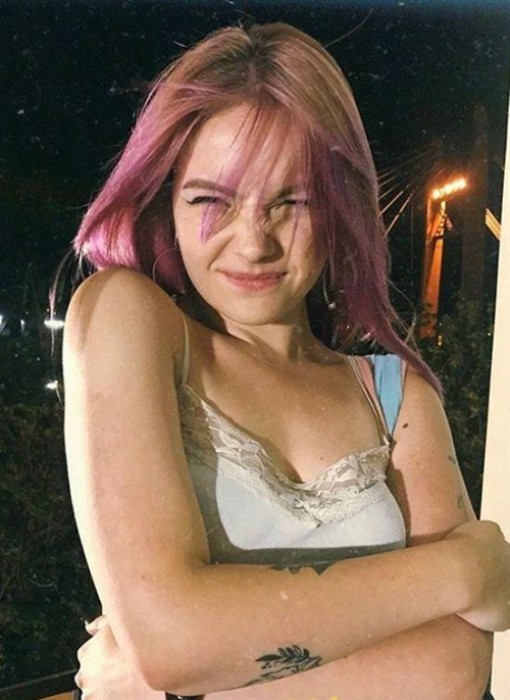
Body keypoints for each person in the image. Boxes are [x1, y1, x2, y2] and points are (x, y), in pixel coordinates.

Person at [64, 23, 509, 700]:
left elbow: (454, 671)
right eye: (210, 200)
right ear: (165, 200)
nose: (254, 243)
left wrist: (172, 683)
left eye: (293, 201)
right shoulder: (130, 319)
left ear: (339, 207)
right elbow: (171, 640)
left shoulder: (396, 396)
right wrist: (463, 572)